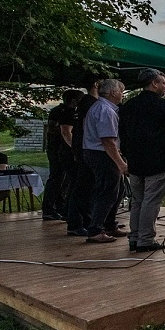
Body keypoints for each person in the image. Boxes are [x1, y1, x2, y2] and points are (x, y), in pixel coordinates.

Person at [119, 69, 165, 253]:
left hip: (135, 161)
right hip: (159, 161)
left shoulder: (129, 105)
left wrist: (127, 155)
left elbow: (122, 133)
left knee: (137, 200)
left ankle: (134, 238)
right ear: (154, 83)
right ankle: (146, 240)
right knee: (151, 200)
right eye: (164, 83)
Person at [81, 79, 129, 243]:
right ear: (113, 93)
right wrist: (121, 163)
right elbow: (108, 141)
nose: (122, 95)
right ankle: (95, 229)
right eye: (121, 91)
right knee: (107, 192)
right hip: (101, 154)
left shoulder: (99, 107)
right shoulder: (106, 110)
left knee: (118, 190)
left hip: (96, 152)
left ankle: (109, 224)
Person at [66, 74, 102, 237]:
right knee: (84, 188)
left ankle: (87, 221)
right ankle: (77, 223)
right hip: (87, 150)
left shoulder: (84, 103)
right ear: (96, 85)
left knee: (85, 187)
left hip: (82, 149)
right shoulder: (91, 104)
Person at [41, 89, 83, 220]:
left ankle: (61, 207)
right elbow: (63, 132)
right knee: (57, 177)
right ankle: (49, 209)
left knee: (65, 179)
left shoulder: (60, 111)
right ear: (74, 100)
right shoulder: (63, 112)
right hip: (58, 148)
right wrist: (74, 148)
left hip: (59, 148)